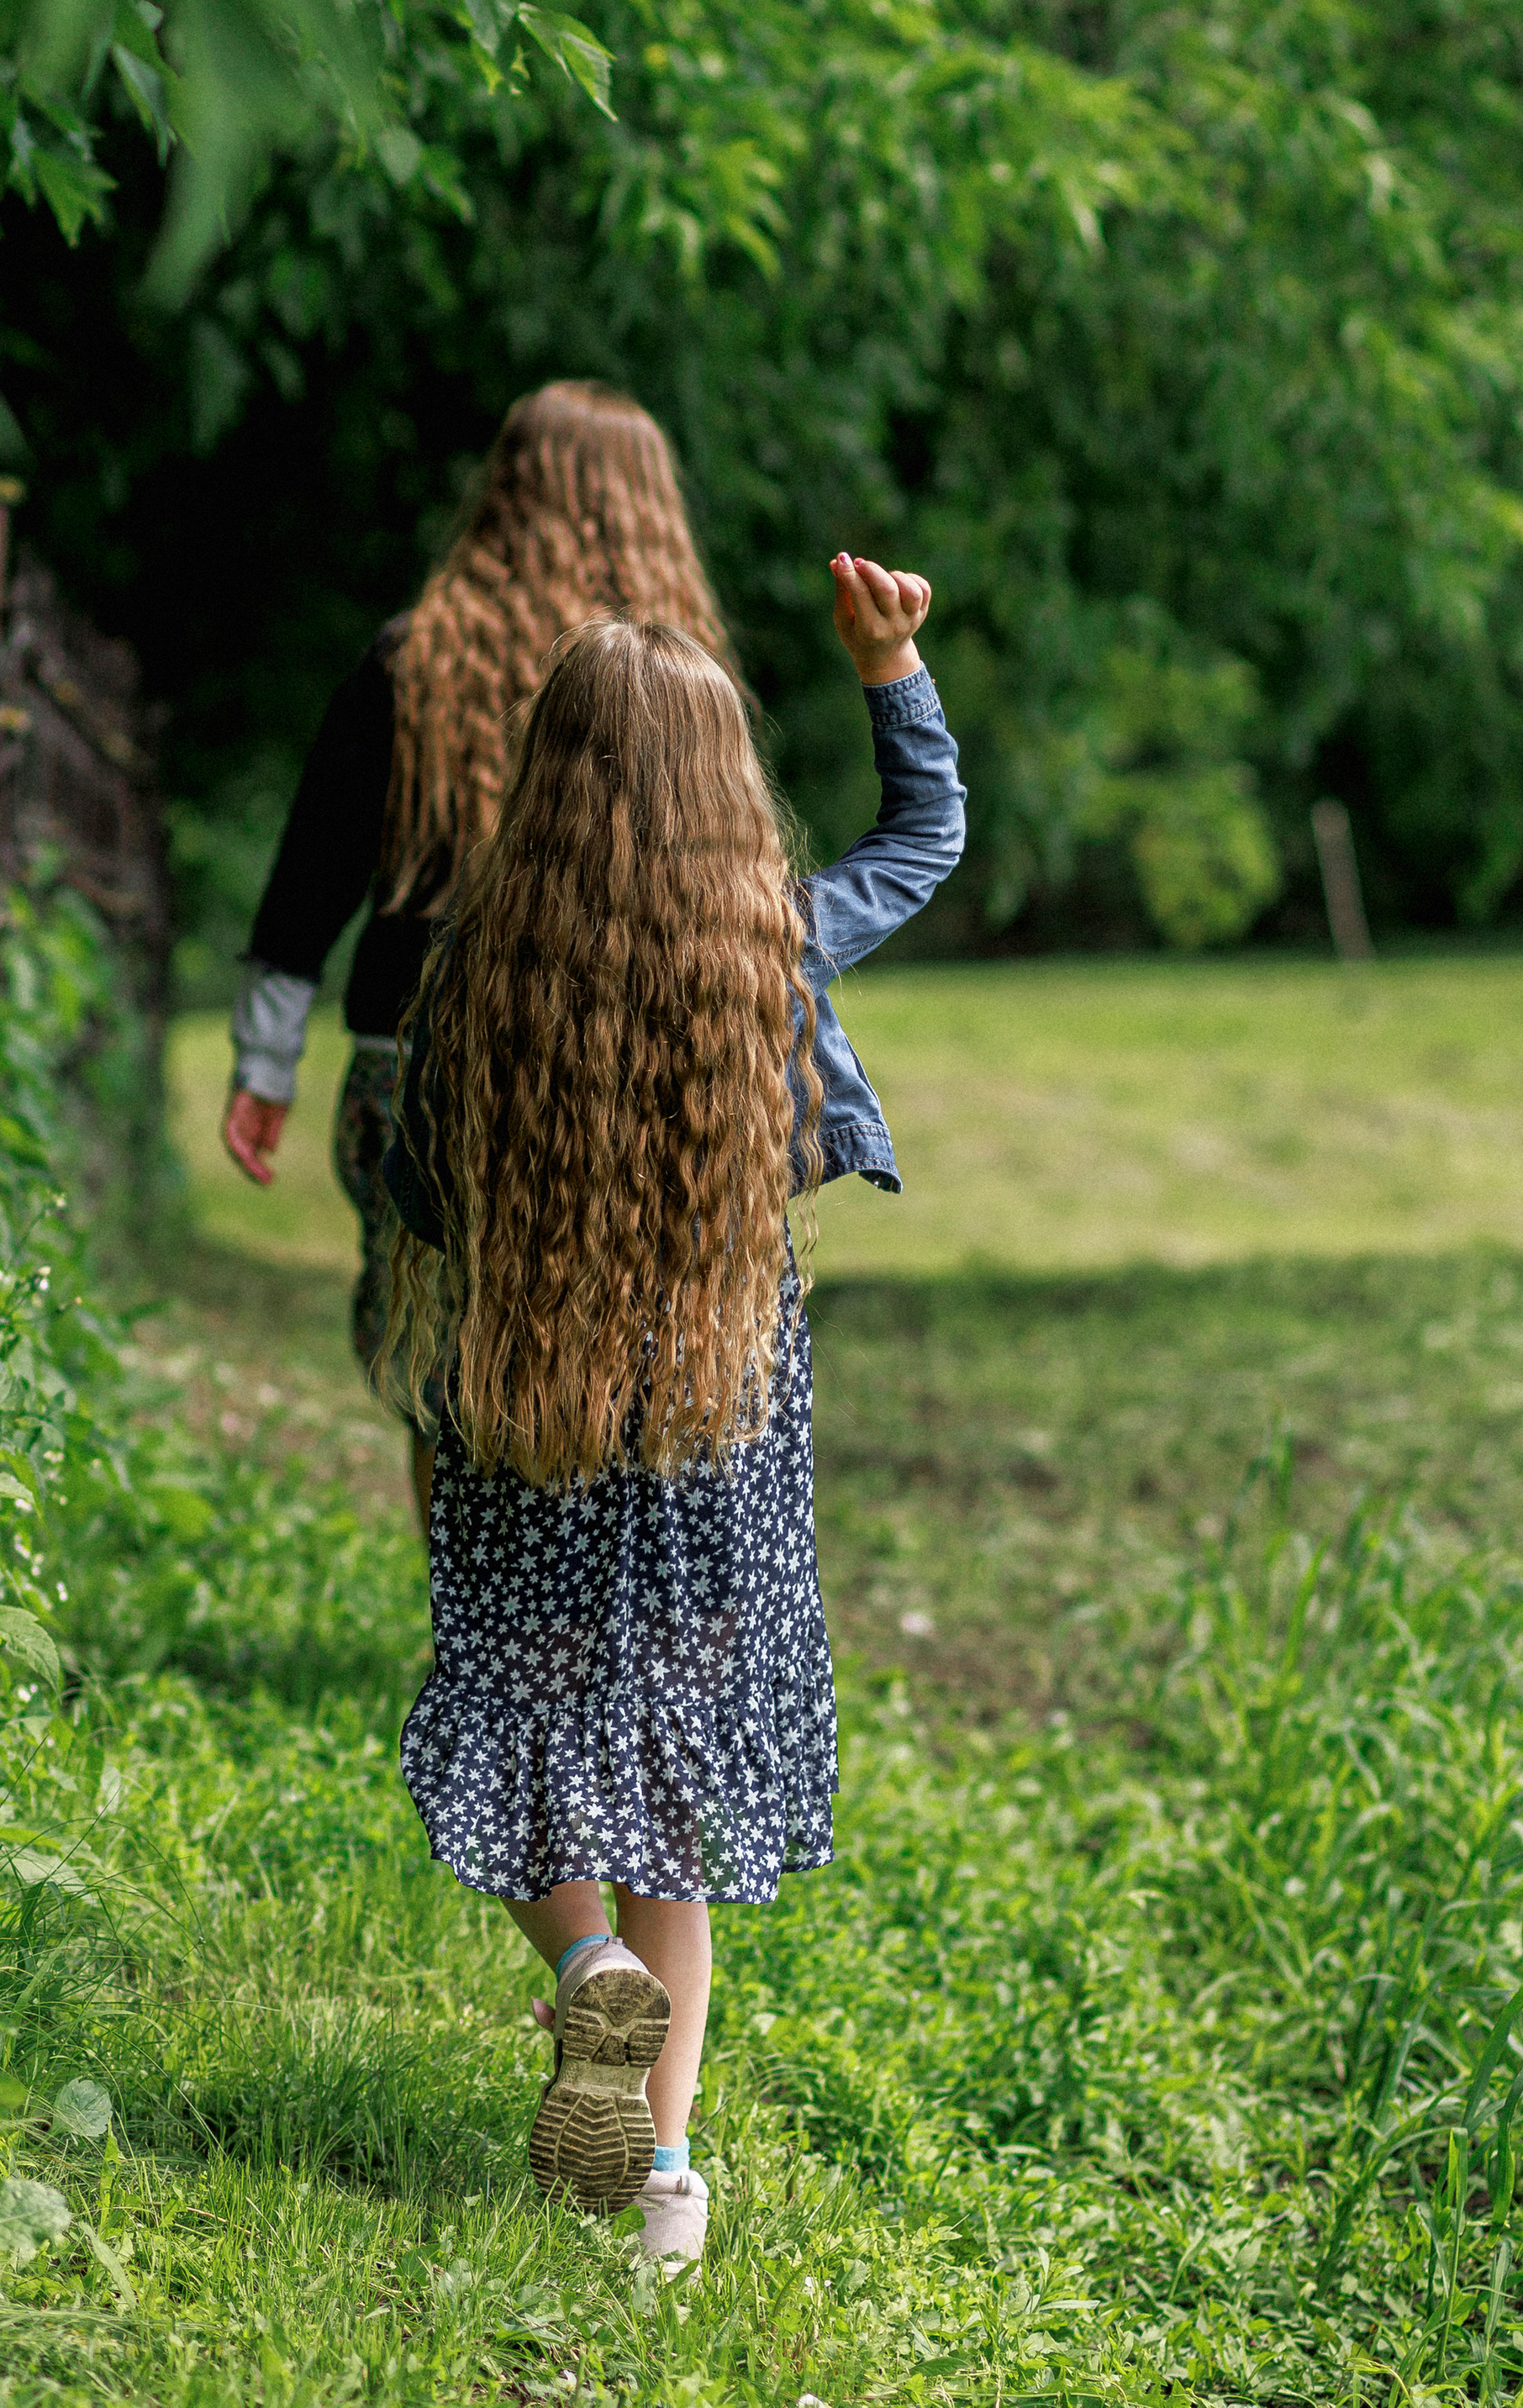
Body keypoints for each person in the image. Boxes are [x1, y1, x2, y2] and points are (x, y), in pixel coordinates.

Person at [377, 555, 965, 2267]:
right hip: (718, 1418)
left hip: (524, 1413)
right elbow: (920, 842)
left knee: (509, 1721)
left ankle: (586, 1970)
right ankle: (666, 2183)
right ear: (726, 793)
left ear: (541, 782)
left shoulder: (475, 975)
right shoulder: (768, 944)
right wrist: (889, 665)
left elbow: (419, 1193)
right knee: (674, 1783)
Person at [222, 383, 738, 1525]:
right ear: (654, 507)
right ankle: (576, 1627)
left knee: (439, 1352)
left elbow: (311, 874)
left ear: (502, 493)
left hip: (412, 1061)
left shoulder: (415, 663)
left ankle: (470, 1627)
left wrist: (265, 1067)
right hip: (625, 1063)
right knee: (609, 1344)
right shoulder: (679, 682)